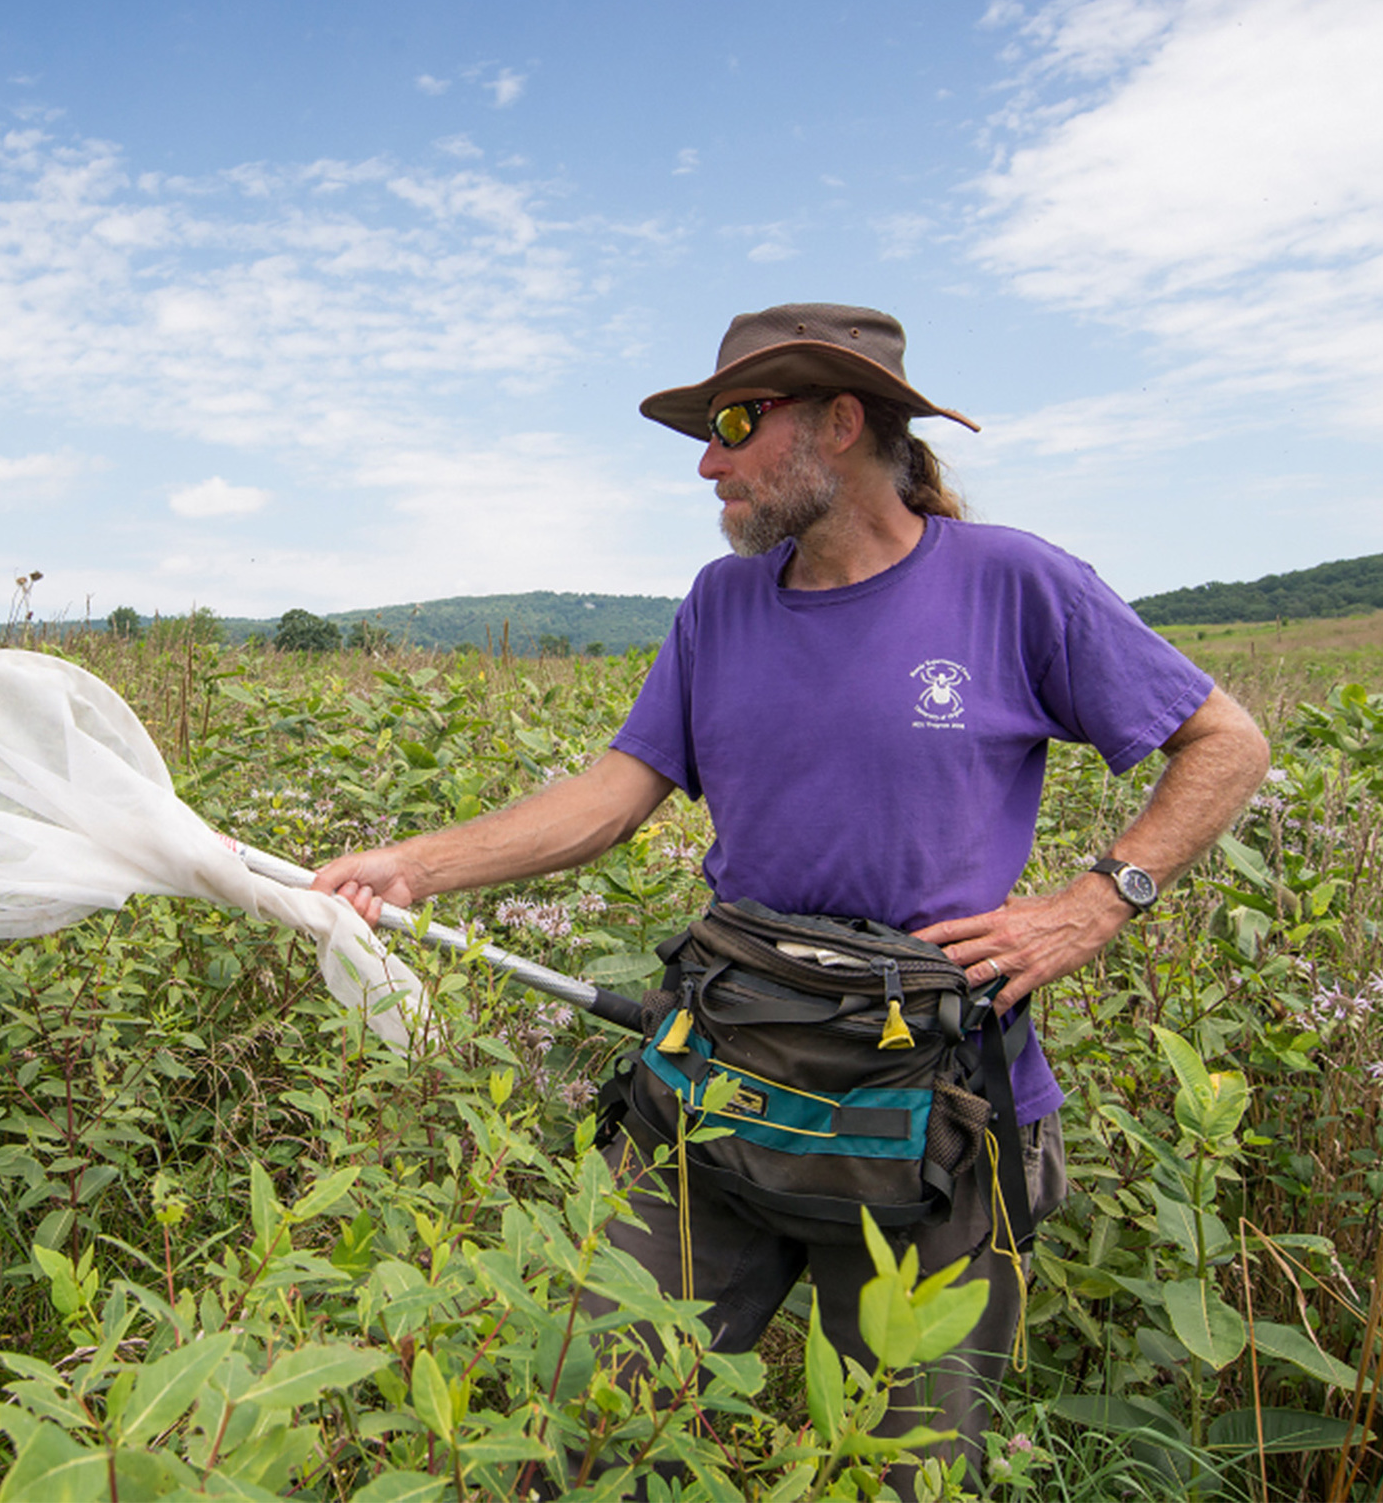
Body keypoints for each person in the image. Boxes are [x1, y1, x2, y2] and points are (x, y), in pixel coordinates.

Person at [313, 302, 1271, 1468]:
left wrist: (1093, 901)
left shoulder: (1014, 584)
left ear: (842, 419)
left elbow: (1226, 742)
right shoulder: (721, 605)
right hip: (720, 1079)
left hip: (936, 1114)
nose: (708, 462)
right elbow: (615, 794)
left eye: (731, 423)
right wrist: (411, 867)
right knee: (596, 1425)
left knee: (902, 1464)